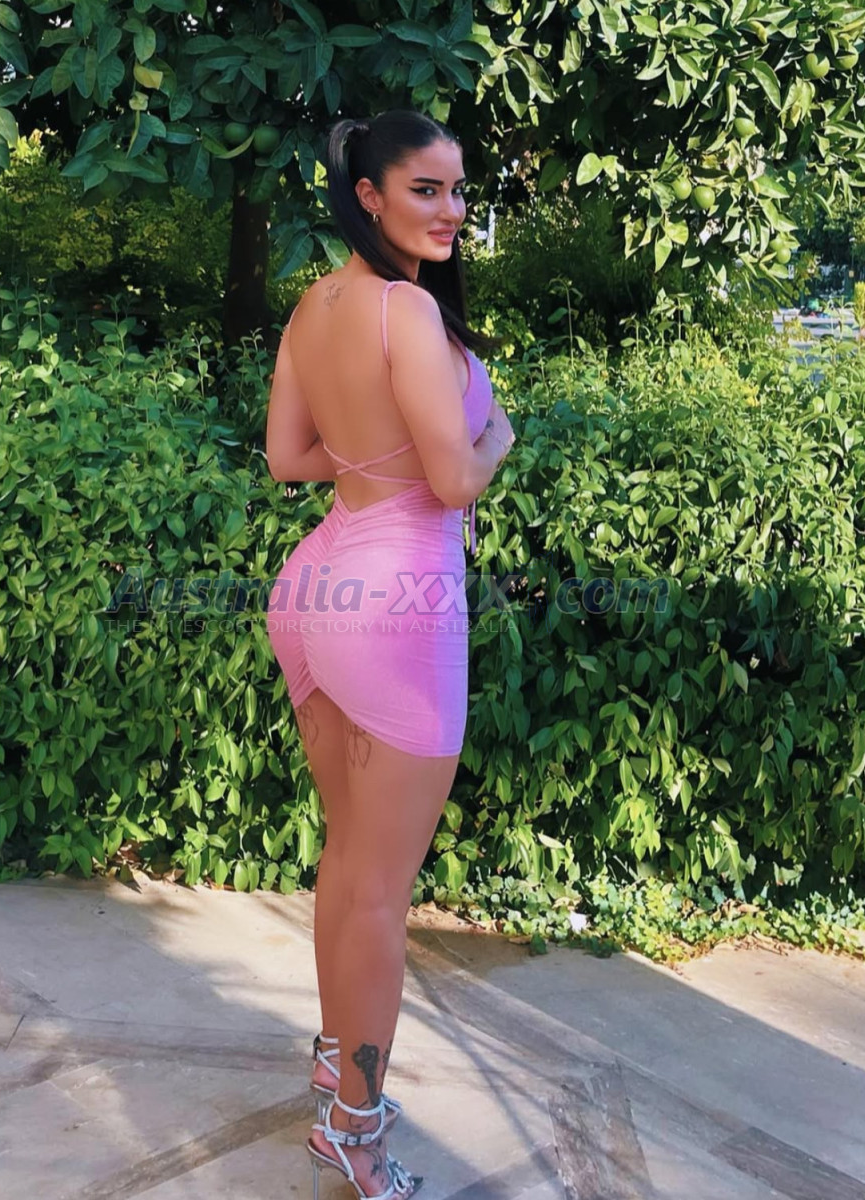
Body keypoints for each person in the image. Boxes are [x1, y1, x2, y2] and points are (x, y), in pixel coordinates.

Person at [264, 108, 515, 1199]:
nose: (449, 209)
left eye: (457, 190)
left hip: (317, 584)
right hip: (398, 606)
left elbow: (286, 457)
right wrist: (494, 433)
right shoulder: (404, 310)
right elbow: (455, 481)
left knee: (349, 864)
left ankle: (338, 1072)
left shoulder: (314, 305)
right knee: (378, 890)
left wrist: (374, 455)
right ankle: (355, 1133)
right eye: (425, 189)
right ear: (367, 195)